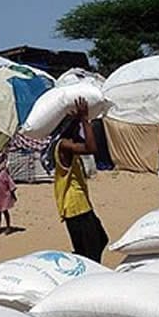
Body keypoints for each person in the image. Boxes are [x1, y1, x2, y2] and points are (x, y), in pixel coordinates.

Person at [54, 97, 109, 263]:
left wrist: (80, 119)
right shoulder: (64, 145)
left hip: (81, 206)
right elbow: (91, 148)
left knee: (100, 240)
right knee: (90, 253)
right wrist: (85, 120)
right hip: (75, 208)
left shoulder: (69, 145)